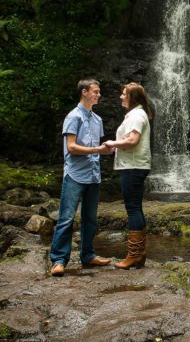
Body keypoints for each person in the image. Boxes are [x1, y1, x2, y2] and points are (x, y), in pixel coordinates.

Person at [50, 79, 114, 277]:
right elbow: (71, 147)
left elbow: (98, 147)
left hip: (93, 175)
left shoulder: (98, 120)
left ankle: (88, 255)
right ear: (84, 92)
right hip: (75, 175)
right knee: (66, 218)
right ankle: (59, 260)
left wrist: (108, 149)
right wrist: (98, 150)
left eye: (99, 92)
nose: (98, 95)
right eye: (95, 91)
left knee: (90, 219)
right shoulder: (73, 116)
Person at [104, 82, 153, 269]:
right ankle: (138, 254)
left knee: (133, 208)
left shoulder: (136, 115)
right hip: (134, 165)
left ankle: (134, 255)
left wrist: (111, 143)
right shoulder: (137, 114)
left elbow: (132, 140)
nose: (121, 97)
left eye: (124, 94)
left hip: (133, 166)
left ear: (133, 97)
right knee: (136, 208)